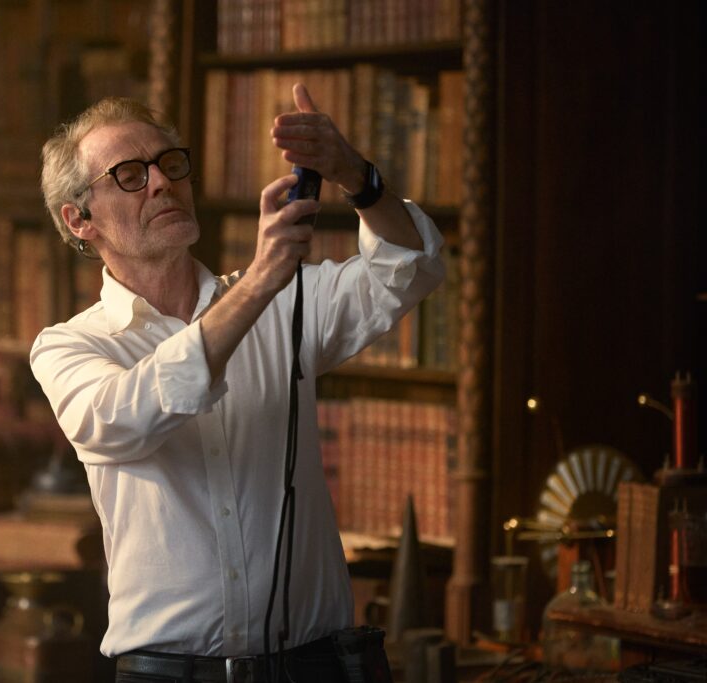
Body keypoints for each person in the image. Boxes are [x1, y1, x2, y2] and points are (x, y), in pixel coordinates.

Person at [31, 84, 444, 683]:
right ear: (79, 220)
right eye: (129, 175)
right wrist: (259, 281)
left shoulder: (285, 302)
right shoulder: (70, 345)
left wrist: (356, 176)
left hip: (317, 668)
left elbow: (411, 268)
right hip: (167, 675)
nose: (161, 183)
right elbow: (119, 421)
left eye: (170, 165)